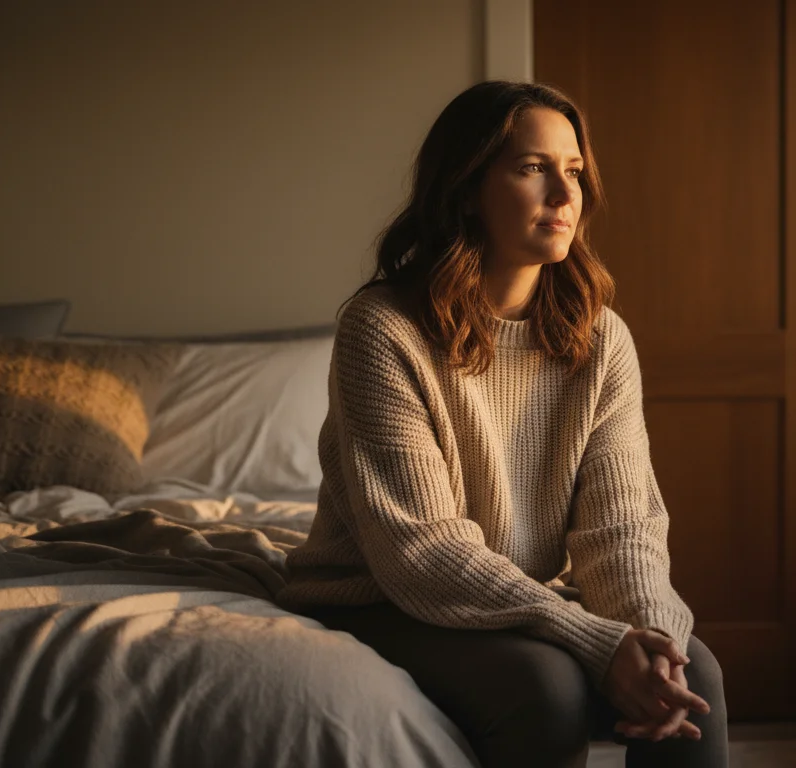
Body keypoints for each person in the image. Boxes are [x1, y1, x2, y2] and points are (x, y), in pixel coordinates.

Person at [278, 80, 728, 768]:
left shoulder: (602, 340)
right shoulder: (382, 329)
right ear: (464, 189)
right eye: (531, 168)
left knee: (693, 673)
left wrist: (651, 638)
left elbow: (621, 531)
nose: (564, 193)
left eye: (573, 170)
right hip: (385, 598)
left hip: (522, 599)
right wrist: (589, 640)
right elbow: (421, 552)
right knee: (545, 690)